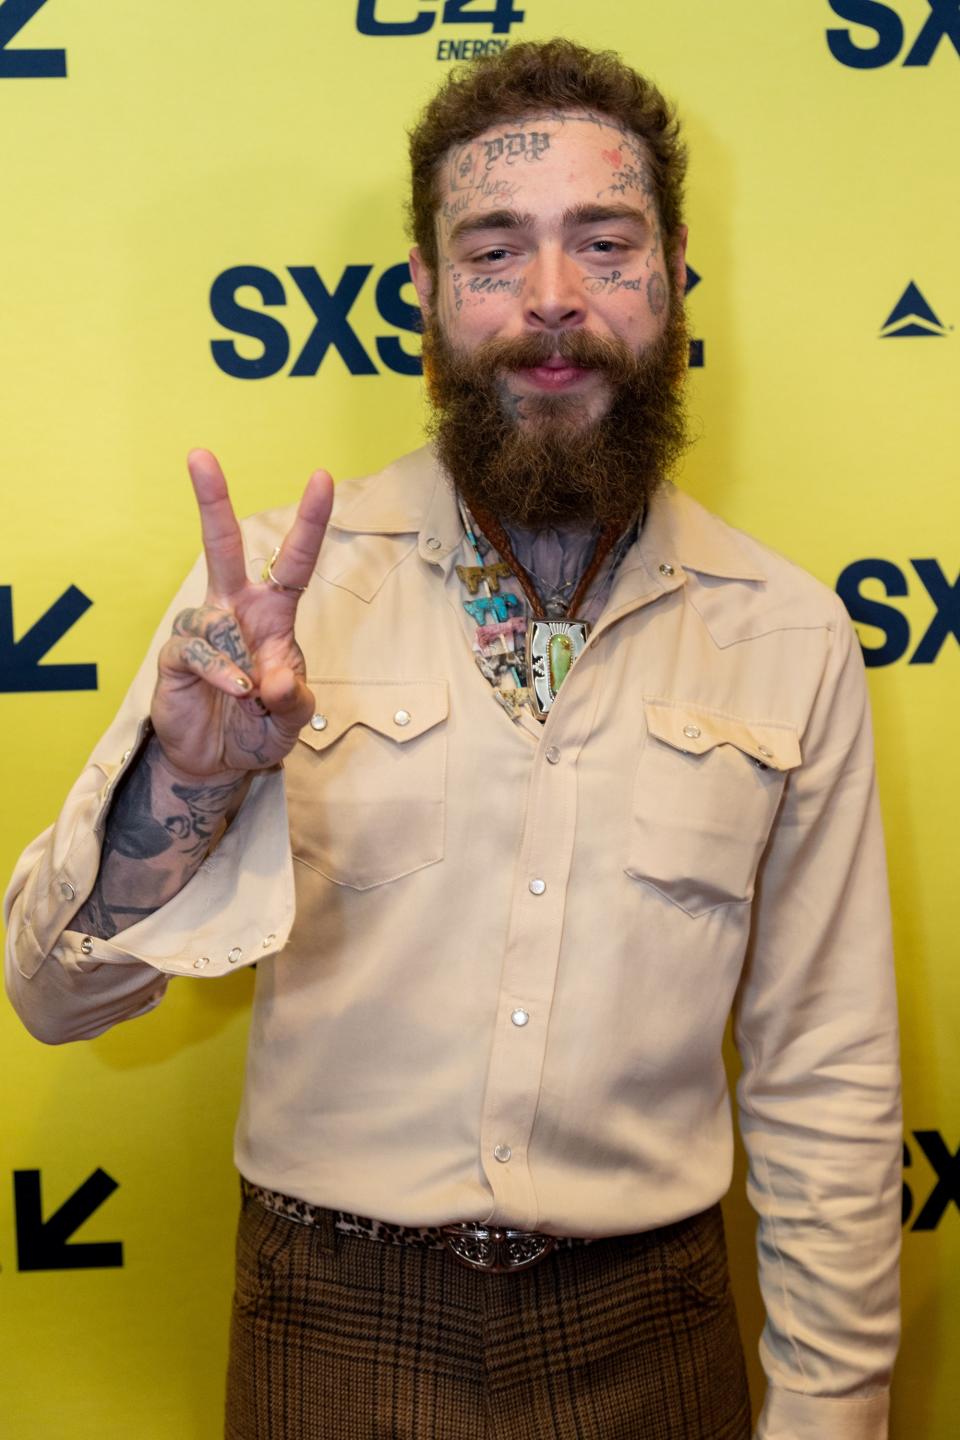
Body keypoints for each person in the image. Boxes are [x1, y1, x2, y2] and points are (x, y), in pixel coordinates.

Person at [4, 38, 901, 1440]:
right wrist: (186, 776)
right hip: (326, 1319)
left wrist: (832, 1413)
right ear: (425, 295)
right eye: (495, 252)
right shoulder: (264, 608)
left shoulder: (789, 634)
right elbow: (49, 998)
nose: (552, 303)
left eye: (604, 244)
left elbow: (827, 1072)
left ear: (673, 282)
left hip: (655, 1328)